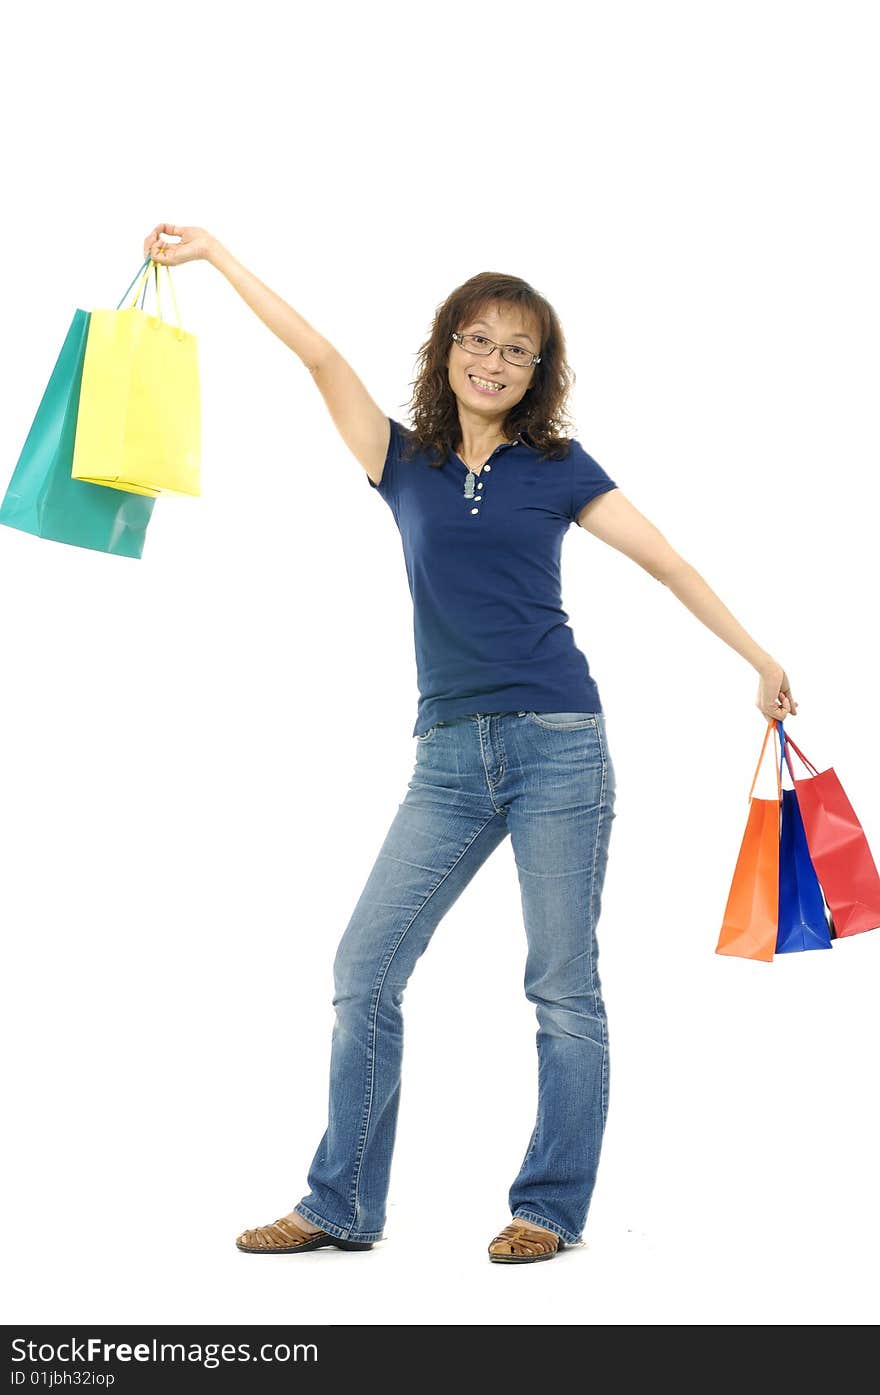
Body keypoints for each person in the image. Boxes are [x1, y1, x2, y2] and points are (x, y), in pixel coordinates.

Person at [143, 223, 798, 1264]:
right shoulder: (397, 458)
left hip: (559, 745)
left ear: (540, 373)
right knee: (364, 968)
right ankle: (340, 1205)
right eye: (476, 340)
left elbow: (666, 563)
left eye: (517, 351)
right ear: (446, 347)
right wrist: (217, 258)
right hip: (446, 757)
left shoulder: (556, 466)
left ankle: (548, 1208)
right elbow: (316, 353)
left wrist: (757, 659)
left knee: (560, 983)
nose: (493, 362)